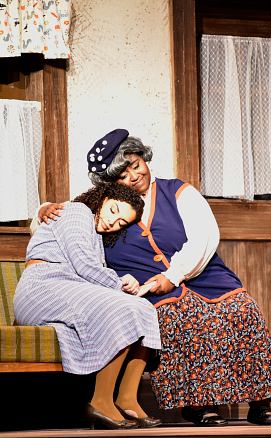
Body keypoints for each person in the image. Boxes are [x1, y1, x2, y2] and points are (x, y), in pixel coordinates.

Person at [35, 130, 271, 426]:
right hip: (150, 289)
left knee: (243, 308)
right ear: (110, 186)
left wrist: (174, 274)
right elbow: (63, 220)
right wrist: (42, 210)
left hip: (202, 275)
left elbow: (205, 236)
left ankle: (260, 401)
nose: (133, 176)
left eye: (135, 165)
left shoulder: (177, 191)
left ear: (143, 157)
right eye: (122, 176)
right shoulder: (107, 208)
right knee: (179, 315)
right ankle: (198, 404)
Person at [13, 182, 162, 430]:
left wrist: (127, 284)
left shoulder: (95, 236)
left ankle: (126, 398)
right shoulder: (77, 211)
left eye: (121, 223)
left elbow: (90, 270)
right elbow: (84, 266)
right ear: (102, 198)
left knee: (145, 309)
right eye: (113, 210)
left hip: (65, 288)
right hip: (42, 285)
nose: (113, 223)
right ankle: (101, 401)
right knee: (126, 306)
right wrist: (121, 287)